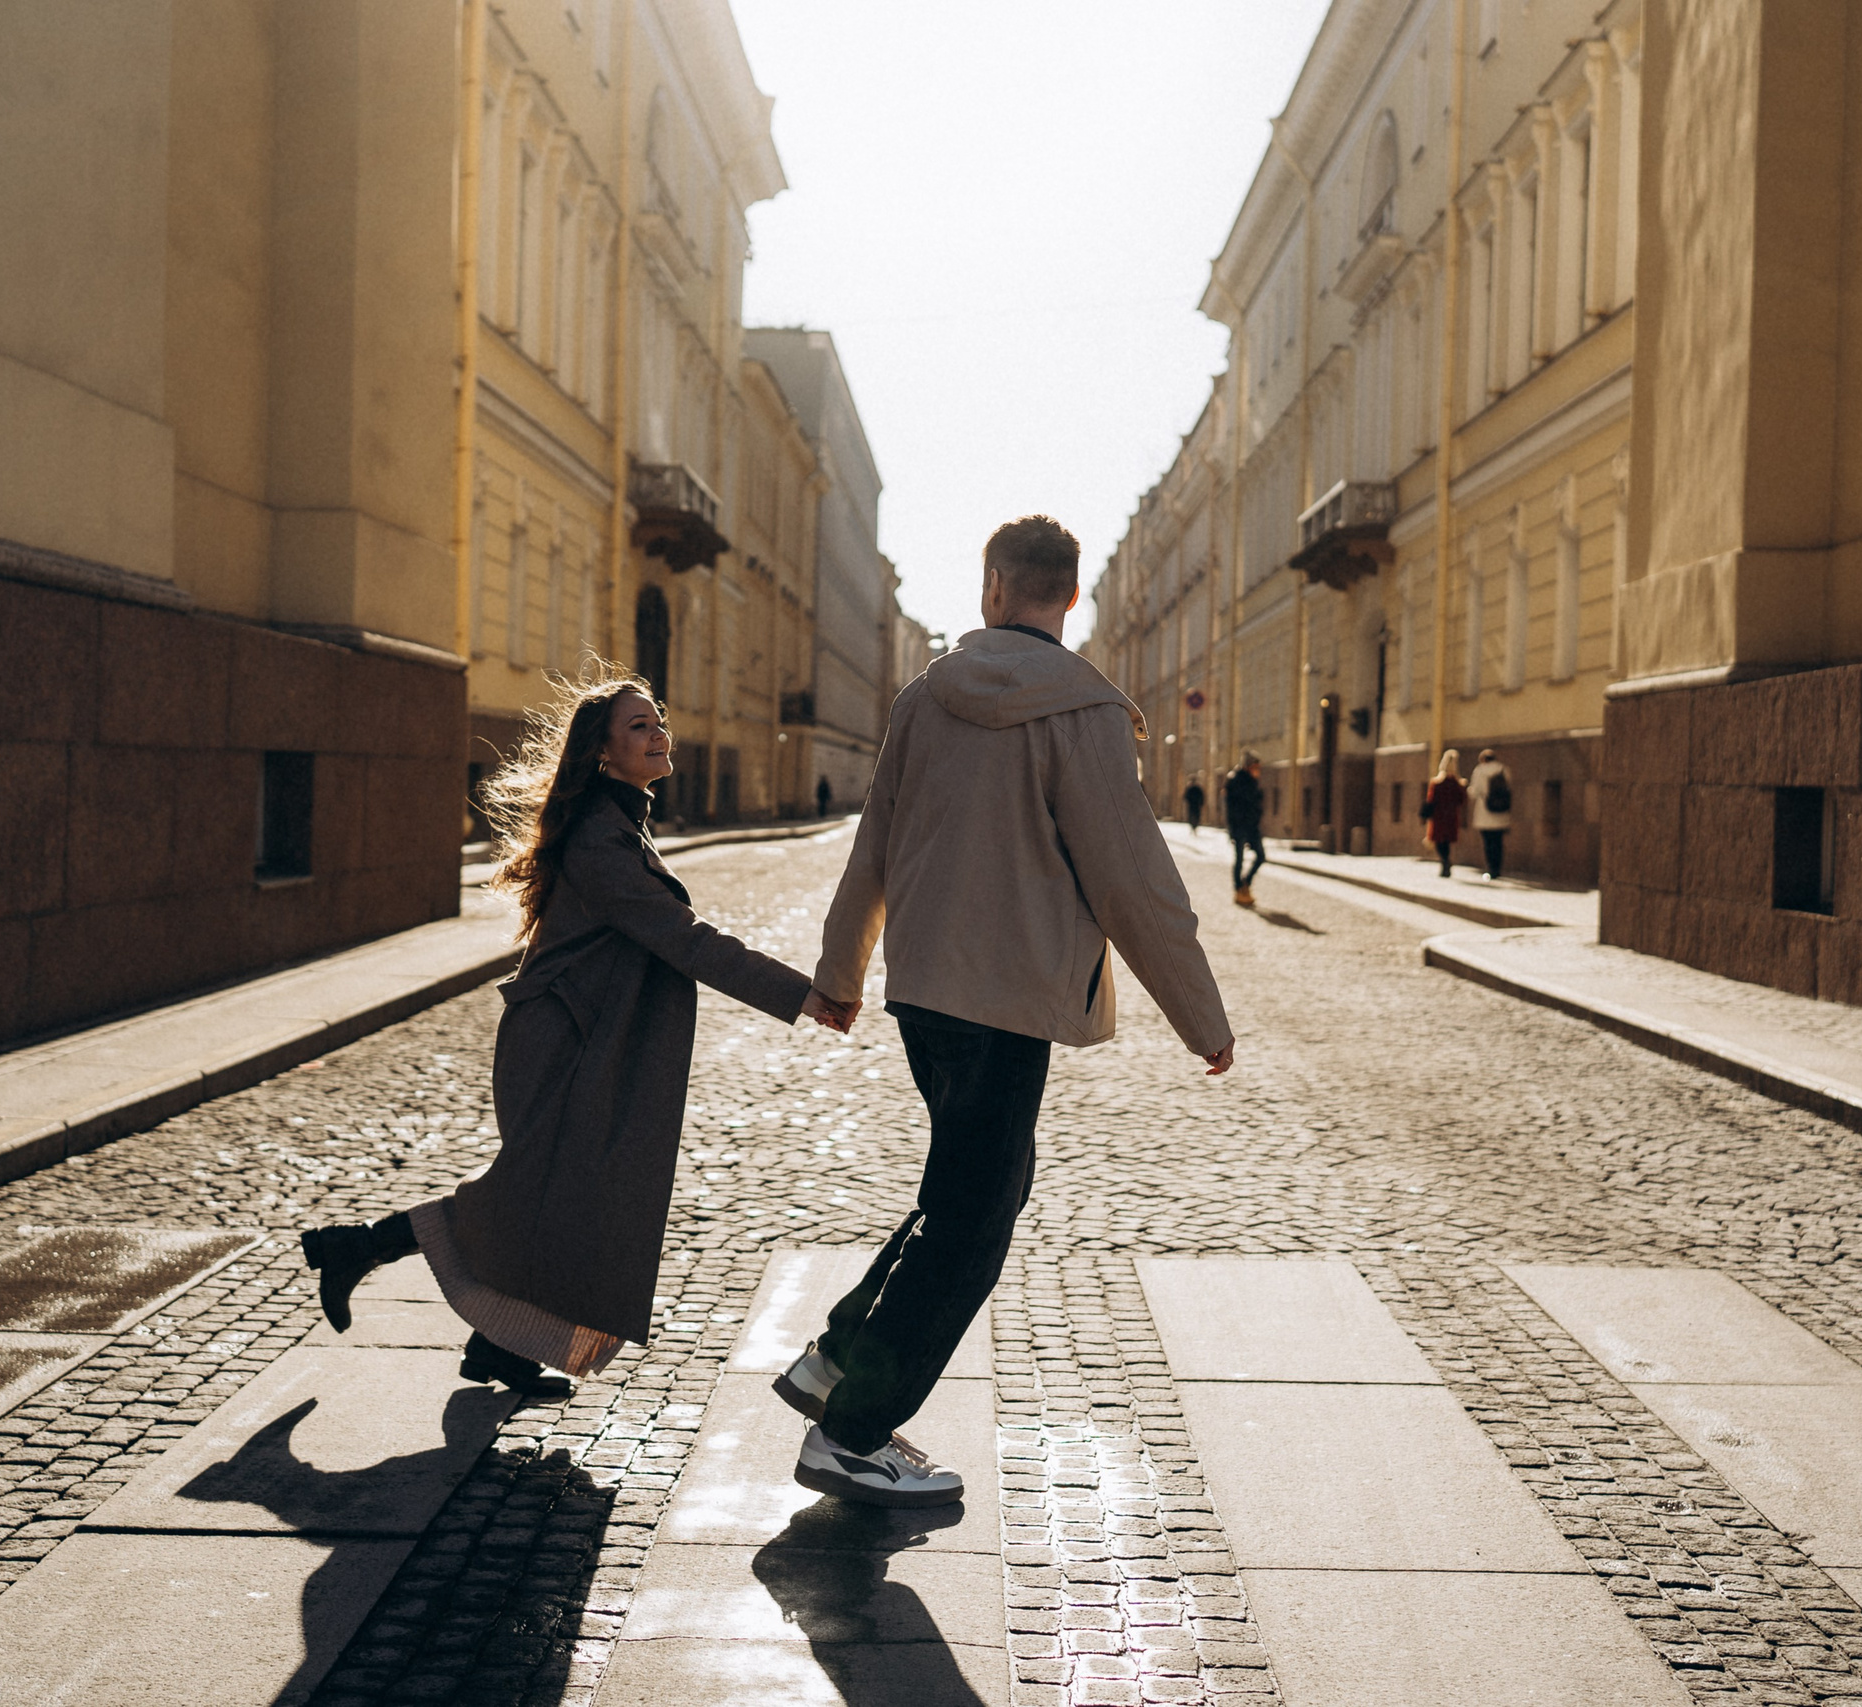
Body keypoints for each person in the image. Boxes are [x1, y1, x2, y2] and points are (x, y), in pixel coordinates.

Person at [779, 515, 1235, 1507]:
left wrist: (840, 972)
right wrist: (1201, 1016)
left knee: (965, 1192)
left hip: (924, 992)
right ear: (1068, 596)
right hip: (1011, 999)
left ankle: (835, 1360)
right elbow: (1132, 880)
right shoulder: (1083, 709)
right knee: (974, 1222)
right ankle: (850, 1434)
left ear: (991, 586)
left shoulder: (924, 698)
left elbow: (873, 844)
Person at [299, 676, 853, 1398]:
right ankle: (356, 1247)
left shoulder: (618, 820)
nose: (658, 734)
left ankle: (498, 1347)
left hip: (588, 1038)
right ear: (602, 751)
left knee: (562, 1202)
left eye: (658, 721)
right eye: (638, 726)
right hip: (563, 1044)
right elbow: (681, 936)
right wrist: (800, 994)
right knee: (522, 1199)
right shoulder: (599, 835)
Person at [1223, 752, 1265, 906]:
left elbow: (1256, 803)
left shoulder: (1253, 782)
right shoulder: (1235, 780)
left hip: (1252, 826)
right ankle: (1238, 889)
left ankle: (1246, 883)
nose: (1258, 770)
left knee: (1261, 856)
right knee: (1239, 859)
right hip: (1239, 826)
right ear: (1248, 767)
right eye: (1255, 767)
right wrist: (1233, 828)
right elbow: (1232, 808)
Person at [1421, 748, 1469, 877]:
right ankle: (1446, 861)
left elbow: (1431, 799)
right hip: (1451, 816)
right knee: (1446, 840)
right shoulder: (1457, 784)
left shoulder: (1437, 783)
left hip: (1439, 816)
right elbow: (1462, 800)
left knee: (1439, 841)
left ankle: (1445, 861)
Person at [1468, 746, 1514, 881]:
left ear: (1483, 759)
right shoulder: (1504, 769)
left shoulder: (1479, 770)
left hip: (1485, 811)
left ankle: (1491, 868)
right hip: (1501, 811)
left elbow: (1474, 792)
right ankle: (1498, 868)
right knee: (1498, 842)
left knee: (1488, 842)